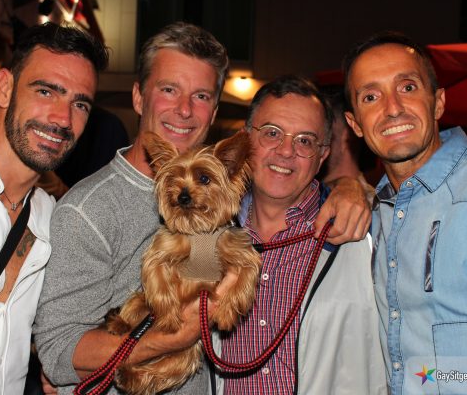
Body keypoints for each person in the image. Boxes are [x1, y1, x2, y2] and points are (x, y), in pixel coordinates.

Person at [34, 22, 370, 394]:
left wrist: (350, 186)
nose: (184, 110)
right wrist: (173, 337)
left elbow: (206, 281)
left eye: (201, 96)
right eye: (169, 90)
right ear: (138, 97)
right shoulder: (88, 211)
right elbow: (58, 353)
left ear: (214, 112)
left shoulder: (224, 208)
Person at [217, 76, 386, 394]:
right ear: (245, 140)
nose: (286, 151)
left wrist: (354, 187)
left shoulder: (360, 235)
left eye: (305, 141)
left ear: (323, 156)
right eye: (272, 133)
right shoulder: (208, 235)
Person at [0, 22, 108, 395]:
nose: (63, 119)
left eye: (79, 104)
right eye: (46, 91)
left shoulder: (53, 217)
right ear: (5, 88)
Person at [344, 32, 467, 395]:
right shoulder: (378, 212)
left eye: (408, 87)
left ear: (438, 102)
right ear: (355, 124)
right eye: (371, 97)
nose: (393, 108)